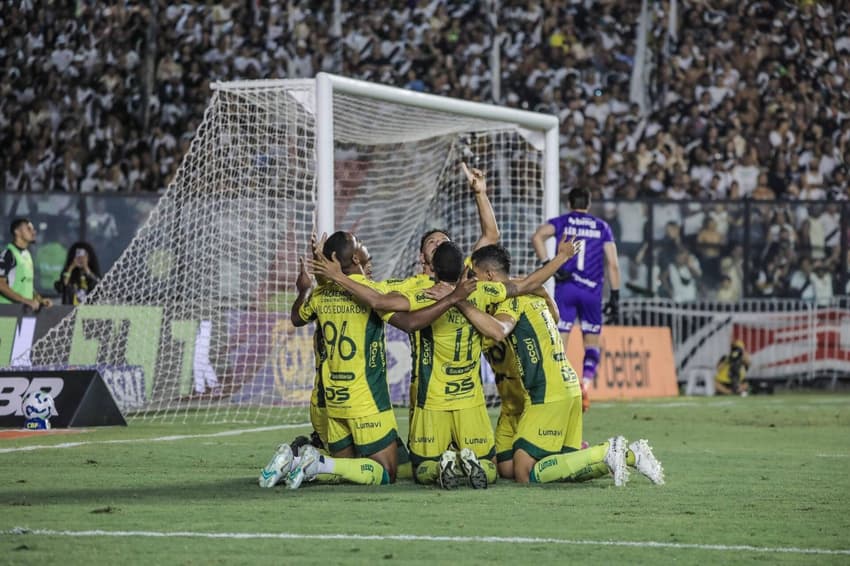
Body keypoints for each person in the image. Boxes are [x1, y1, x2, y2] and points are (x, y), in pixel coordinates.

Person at [314, 233, 578, 489]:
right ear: (465, 268)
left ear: (434, 270)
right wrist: (561, 257)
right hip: (470, 401)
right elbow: (528, 283)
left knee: (423, 470)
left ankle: (445, 462)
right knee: (490, 468)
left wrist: (335, 277)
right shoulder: (484, 290)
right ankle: (467, 460)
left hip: (432, 400)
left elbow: (378, 300)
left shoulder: (421, 294)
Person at [456, 244, 664, 487]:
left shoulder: (511, 300)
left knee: (524, 473)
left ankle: (606, 450)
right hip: (564, 387)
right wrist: (543, 292)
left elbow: (499, 330)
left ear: (489, 276)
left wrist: (460, 302)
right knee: (531, 466)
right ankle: (631, 454)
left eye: (475, 275)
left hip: (547, 393)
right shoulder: (532, 294)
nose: (472, 281)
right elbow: (554, 317)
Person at [531, 187, 621, 412]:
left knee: (560, 341)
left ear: (569, 203)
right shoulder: (602, 227)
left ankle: (558, 388)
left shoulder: (562, 221)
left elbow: (537, 236)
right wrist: (615, 295)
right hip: (592, 291)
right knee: (592, 342)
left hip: (567, 287)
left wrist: (547, 264)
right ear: (588, 205)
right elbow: (613, 264)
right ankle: (586, 386)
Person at [0, 218, 52, 311]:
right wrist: (25, 300)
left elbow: (26, 284)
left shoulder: (27, 254)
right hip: (7, 312)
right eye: (28, 228)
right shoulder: (8, 254)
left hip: (24, 311)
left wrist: (39, 299)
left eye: (33, 229)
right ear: (17, 232)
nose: (33, 232)